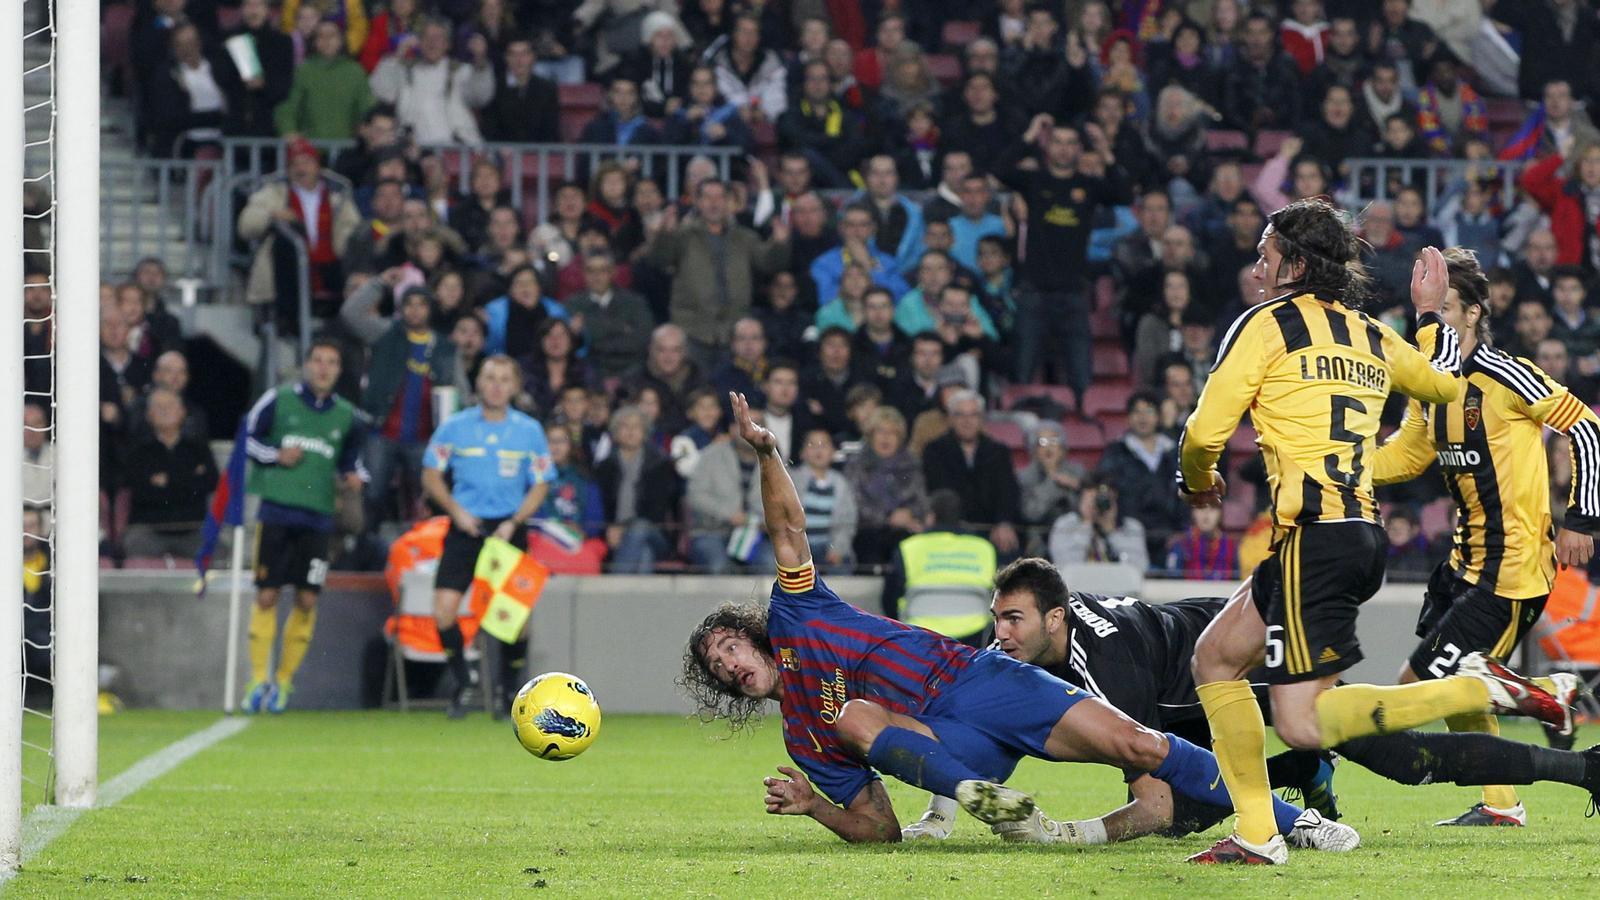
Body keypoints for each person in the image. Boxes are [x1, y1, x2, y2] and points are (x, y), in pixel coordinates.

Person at [683, 391, 1361, 848]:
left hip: (980, 682)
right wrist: (815, 808)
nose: (731, 664)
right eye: (720, 668)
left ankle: (1291, 822)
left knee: (1140, 746)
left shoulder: (798, 614)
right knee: (853, 716)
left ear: (754, 635)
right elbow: (877, 827)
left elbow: (788, 529)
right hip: (948, 747)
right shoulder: (803, 737)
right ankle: (982, 799)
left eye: (728, 646)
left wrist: (769, 453)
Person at [1179, 199, 1572, 865]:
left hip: (1317, 535)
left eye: (1265, 255)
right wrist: (1425, 318)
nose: (1256, 267)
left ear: (1296, 264)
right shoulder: (1368, 333)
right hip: (1349, 533)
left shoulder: (1265, 326)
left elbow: (1202, 433)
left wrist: (1198, 480)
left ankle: (1490, 689)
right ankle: (1256, 833)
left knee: (1302, 722)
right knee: (1215, 659)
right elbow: (1445, 385)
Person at [906, 558, 1600, 843]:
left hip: (1250, 669)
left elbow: (1157, 803)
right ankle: (1301, 783)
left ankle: (1510, 706)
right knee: (1208, 787)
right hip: (1206, 685)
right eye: (998, 618)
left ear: (1056, 618)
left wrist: (1070, 833)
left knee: (1399, 758)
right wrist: (940, 813)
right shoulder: (1034, 639)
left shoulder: (1106, 660)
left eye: (1014, 620)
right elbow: (974, 711)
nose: (1001, 633)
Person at [1371, 247, 1600, 825]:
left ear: (1473, 313)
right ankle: (1502, 803)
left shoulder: (1507, 374)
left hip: (1513, 570)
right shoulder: (1434, 386)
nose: (1437, 324)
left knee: (1413, 690)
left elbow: (1589, 431)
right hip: (1462, 564)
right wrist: (1339, 464)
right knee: (1457, 689)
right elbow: (1406, 455)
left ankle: (1549, 694)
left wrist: (1581, 519)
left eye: (1445, 310)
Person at [420, 355, 553, 718]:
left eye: (503, 379)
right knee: (444, 611)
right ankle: (464, 681)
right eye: (489, 377)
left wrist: (514, 520)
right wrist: (455, 511)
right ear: (478, 383)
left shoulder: (528, 430)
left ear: (514, 386)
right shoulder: (455, 426)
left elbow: (541, 483)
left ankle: (511, 691)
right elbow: (431, 473)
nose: (496, 385)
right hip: (466, 527)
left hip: (508, 528)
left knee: (517, 622)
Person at [242, 338, 368, 714]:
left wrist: (356, 477)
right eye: (318, 360)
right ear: (306, 364)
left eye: (331, 362)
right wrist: (275, 455)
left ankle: (282, 682)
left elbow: (352, 462)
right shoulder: (278, 399)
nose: (324, 368)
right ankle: (257, 680)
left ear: (339, 371)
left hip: (318, 517)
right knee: (266, 594)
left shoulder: (348, 416)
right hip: (277, 512)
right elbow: (248, 438)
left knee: (307, 598)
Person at [341, 278, 460, 528]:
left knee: (427, 499)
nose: (415, 310)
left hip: (426, 438)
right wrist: (379, 284)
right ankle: (367, 549)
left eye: (421, 305)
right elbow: (350, 314)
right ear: (401, 308)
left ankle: (420, 553)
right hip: (381, 432)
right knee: (372, 495)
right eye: (409, 304)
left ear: (431, 309)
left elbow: (460, 390)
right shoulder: (386, 333)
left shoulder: (446, 347)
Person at [880, 489, 996, 644]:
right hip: (973, 642)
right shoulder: (984, 548)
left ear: (931, 517)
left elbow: (889, 599)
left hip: (919, 640)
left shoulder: (908, 548)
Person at [920, 390, 1021, 558]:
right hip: (949, 528)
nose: (967, 421)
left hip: (991, 531)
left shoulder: (999, 452)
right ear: (951, 419)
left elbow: (1007, 491)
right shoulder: (934, 451)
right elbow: (938, 491)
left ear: (981, 419)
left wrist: (1004, 522)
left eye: (973, 415)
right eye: (960, 415)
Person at [121, 388, 218, 559]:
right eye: (159, 407)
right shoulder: (138, 450)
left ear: (182, 412)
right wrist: (189, 478)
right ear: (149, 414)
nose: (165, 411)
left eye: (170, 406)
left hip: (192, 529)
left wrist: (167, 481)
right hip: (149, 529)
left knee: (218, 551)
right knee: (133, 544)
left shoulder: (198, 448)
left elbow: (210, 483)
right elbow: (141, 492)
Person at [595, 405, 681, 572]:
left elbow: (656, 512)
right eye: (625, 426)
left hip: (655, 533)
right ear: (615, 432)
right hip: (614, 535)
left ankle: (614, 587)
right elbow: (600, 508)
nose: (630, 431)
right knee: (643, 554)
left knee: (639, 528)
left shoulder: (659, 465)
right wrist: (609, 529)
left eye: (636, 427)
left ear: (645, 432)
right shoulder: (605, 467)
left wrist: (623, 528)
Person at [275, 18, 376, 140]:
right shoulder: (303, 71)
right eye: (321, 36)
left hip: (347, 149)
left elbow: (366, 109)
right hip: (309, 151)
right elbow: (288, 107)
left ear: (341, 40)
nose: (326, 41)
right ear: (314, 41)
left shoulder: (355, 71)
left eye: (332, 36)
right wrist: (288, 130)